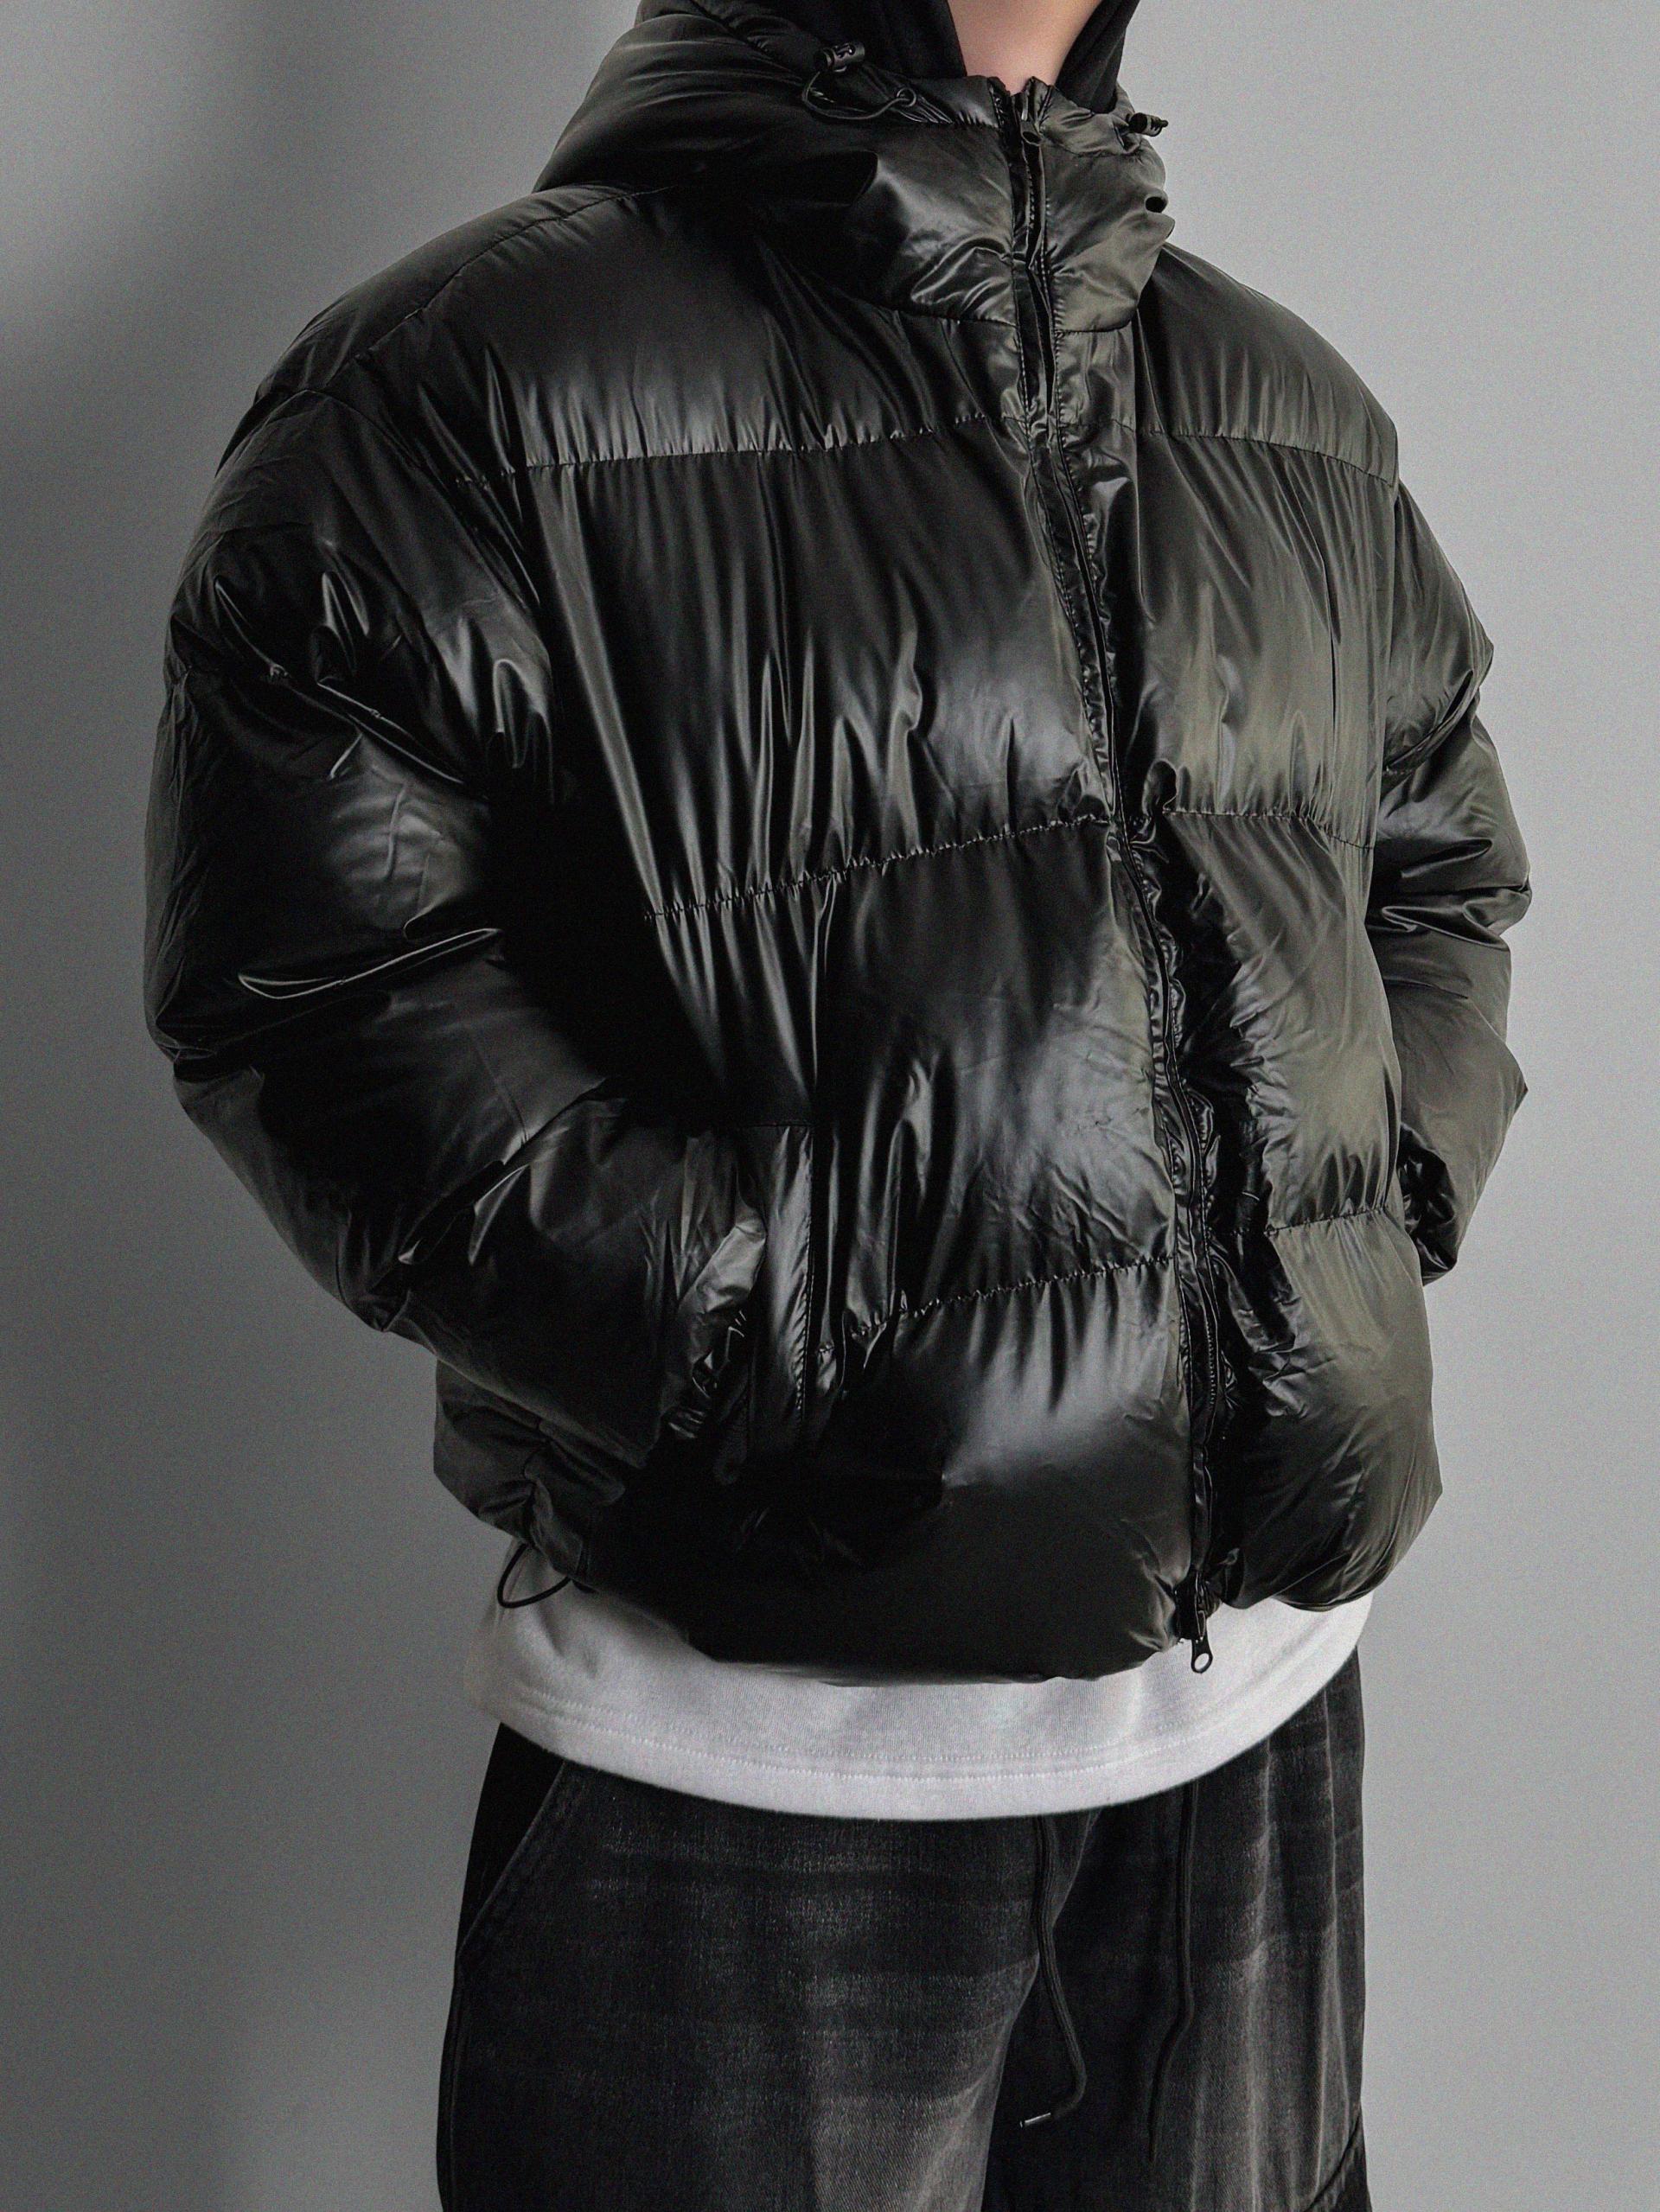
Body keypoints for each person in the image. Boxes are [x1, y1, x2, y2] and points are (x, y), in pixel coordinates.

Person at [143, 0, 1530, 2203]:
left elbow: (1439, 878)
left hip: (1258, 1712)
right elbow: (319, 987)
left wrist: (1347, 1226)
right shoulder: (462, 386)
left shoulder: (1289, 409)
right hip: (762, 1754)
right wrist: (766, 1337)